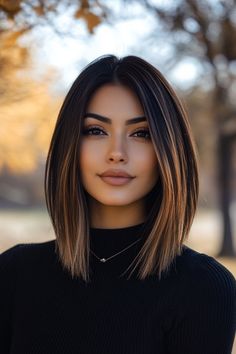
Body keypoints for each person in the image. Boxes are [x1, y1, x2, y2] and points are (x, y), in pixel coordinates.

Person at [0, 54, 235, 354]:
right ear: (70, 143)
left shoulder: (205, 288)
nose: (116, 153)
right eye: (96, 130)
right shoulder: (14, 275)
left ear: (169, 148)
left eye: (141, 133)